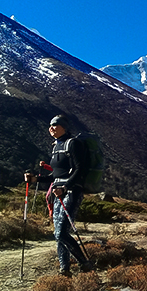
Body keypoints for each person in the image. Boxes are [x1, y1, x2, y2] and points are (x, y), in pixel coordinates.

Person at [24, 115, 93, 276]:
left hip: (71, 191)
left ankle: (84, 263)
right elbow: (54, 176)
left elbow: (79, 169)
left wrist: (66, 186)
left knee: (60, 232)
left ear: (64, 127)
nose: (51, 128)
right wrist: (35, 179)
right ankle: (65, 269)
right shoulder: (56, 147)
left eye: (55, 125)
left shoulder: (73, 144)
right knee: (59, 233)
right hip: (57, 191)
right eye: (50, 125)